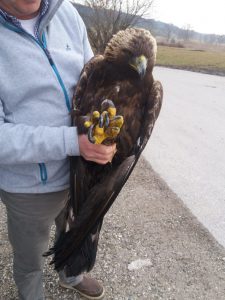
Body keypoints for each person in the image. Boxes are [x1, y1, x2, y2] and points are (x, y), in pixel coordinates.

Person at [0, 0, 116, 299]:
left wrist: (108, 125)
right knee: (30, 254)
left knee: (74, 230)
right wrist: (72, 143)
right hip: (29, 185)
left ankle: (71, 273)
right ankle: (31, 292)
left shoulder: (65, 13)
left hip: (81, 170)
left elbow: (95, 77)